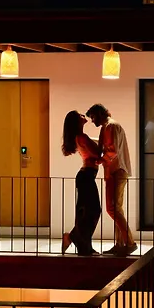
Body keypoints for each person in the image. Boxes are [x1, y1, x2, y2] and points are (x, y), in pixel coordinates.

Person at [86, 104, 137, 257]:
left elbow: (112, 150)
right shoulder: (110, 126)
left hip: (116, 171)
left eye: (93, 117)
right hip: (117, 171)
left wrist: (100, 161)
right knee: (116, 209)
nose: (92, 120)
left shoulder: (110, 127)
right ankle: (120, 244)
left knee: (112, 209)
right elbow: (108, 145)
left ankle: (129, 242)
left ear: (99, 114)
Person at [61, 110, 101, 256]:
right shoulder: (82, 138)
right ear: (76, 122)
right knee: (93, 211)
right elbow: (98, 153)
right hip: (86, 177)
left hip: (86, 176)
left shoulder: (81, 137)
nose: (83, 116)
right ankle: (77, 240)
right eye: (80, 116)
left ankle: (79, 242)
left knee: (87, 213)